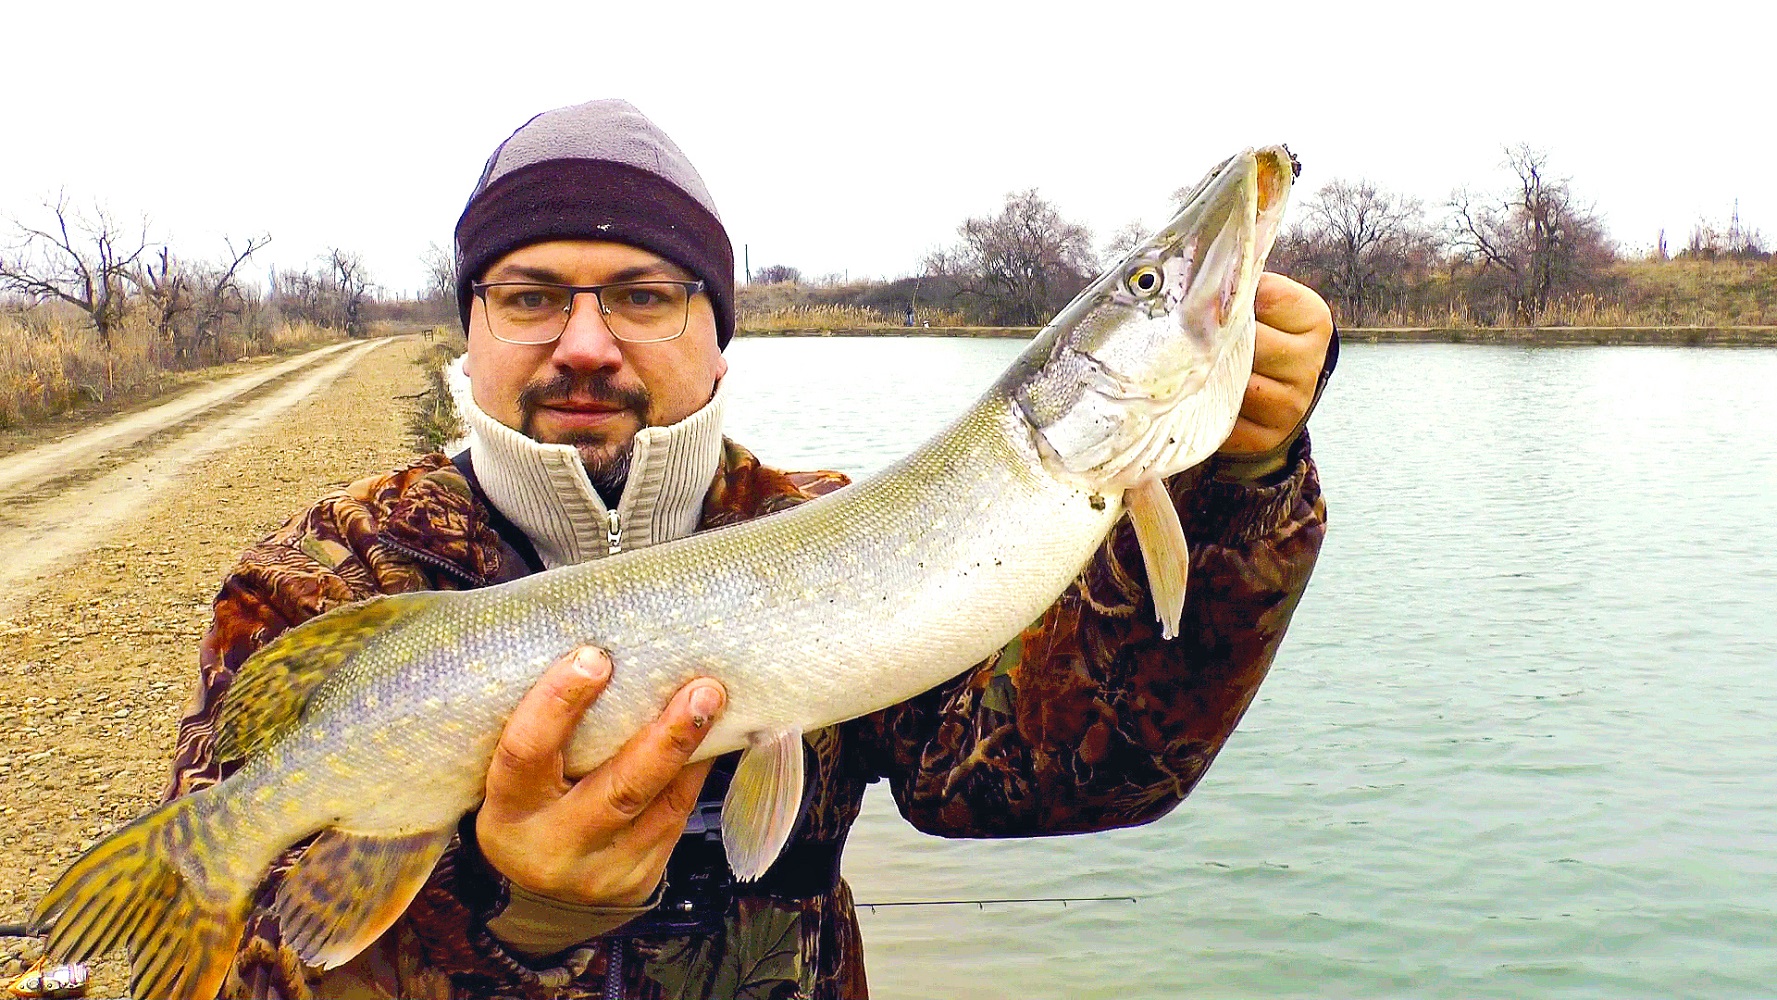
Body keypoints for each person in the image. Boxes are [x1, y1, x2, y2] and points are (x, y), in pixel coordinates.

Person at [165, 99, 1334, 999]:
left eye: (644, 295)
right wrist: (516, 919)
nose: (585, 343)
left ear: (717, 339)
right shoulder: (324, 582)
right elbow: (245, 969)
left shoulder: (813, 521)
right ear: (465, 333)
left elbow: (1077, 768)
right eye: (528, 296)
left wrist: (1239, 482)